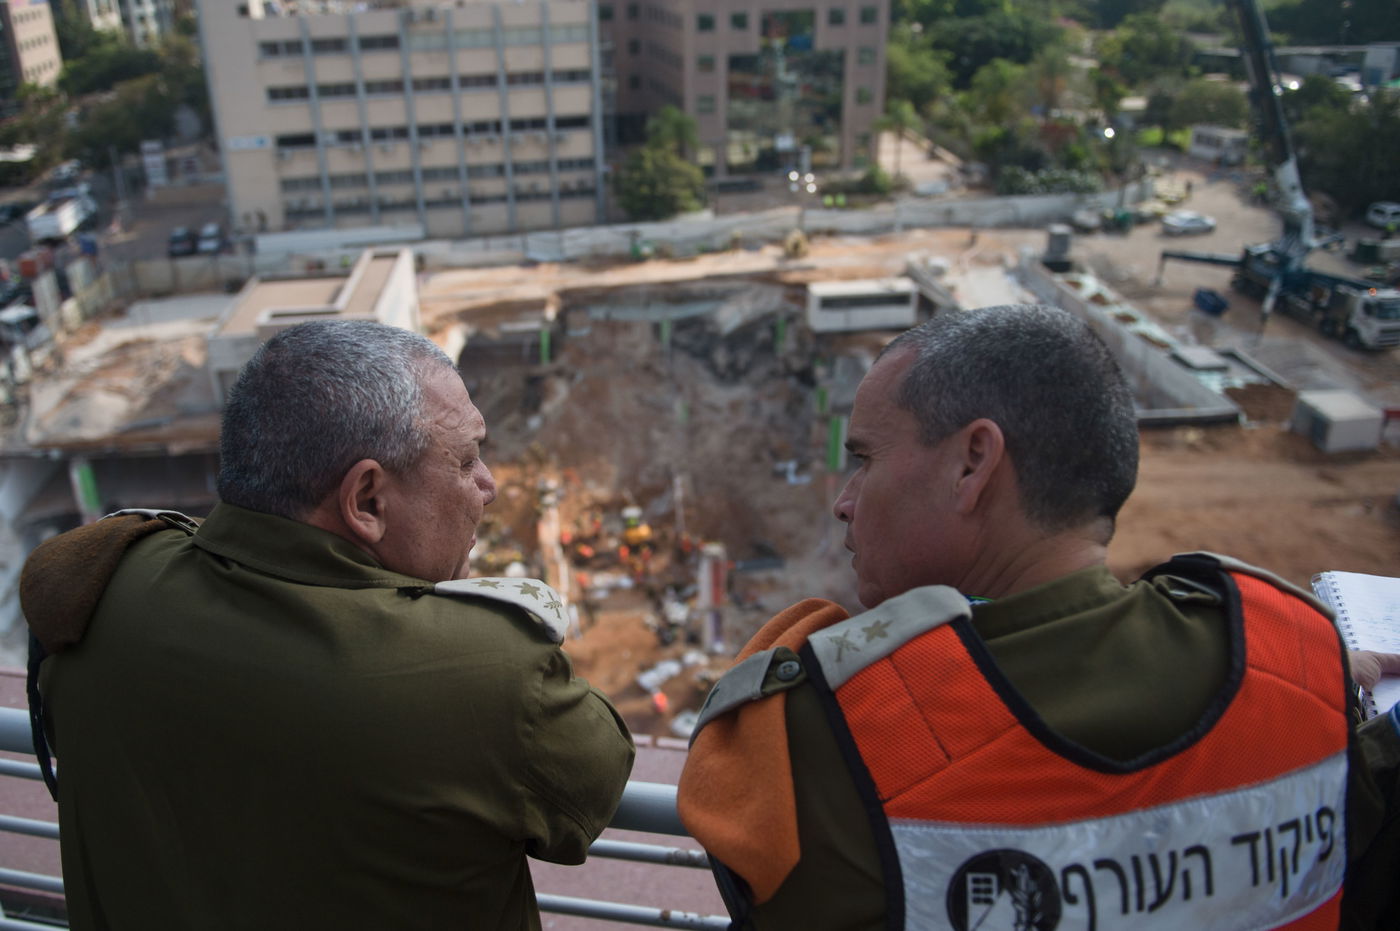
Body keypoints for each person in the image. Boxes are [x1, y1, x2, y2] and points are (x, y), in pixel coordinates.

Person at [678, 304, 1400, 930]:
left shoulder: (827, 729)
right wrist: (1314, 671)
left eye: (865, 458)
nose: (845, 500)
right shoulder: (1297, 667)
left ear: (973, 463)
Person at [21, 320, 635, 930]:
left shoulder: (98, 586)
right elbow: (596, 779)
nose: (489, 486)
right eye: (467, 459)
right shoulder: (486, 672)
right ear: (367, 500)